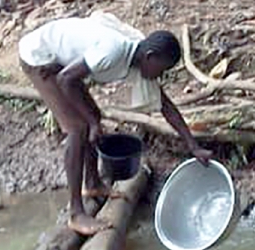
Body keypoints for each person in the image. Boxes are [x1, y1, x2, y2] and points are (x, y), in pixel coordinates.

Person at [18, 12, 213, 236]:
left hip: (61, 65)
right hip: (39, 58)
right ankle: (76, 214)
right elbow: (64, 80)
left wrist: (193, 146)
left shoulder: (138, 61)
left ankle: (92, 183)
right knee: (78, 128)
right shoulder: (115, 51)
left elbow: (165, 105)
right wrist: (91, 123)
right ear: (150, 56)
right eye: (162, 69)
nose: (161, 75)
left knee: (93, 116)